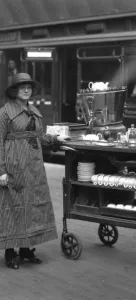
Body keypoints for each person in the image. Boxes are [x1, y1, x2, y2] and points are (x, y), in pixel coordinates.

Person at [0, 73, 70, 269]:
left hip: (34, 167)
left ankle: (24, 249)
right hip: (15, 166)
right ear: (14, 90)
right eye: (21, 86)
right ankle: (10, 253)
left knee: (30, 207)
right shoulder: (5, 113)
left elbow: (38, 136)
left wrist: (56, 140)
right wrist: (1, 171)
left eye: (28, 86)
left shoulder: (34, 111)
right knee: (13, 208)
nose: (25, 89)